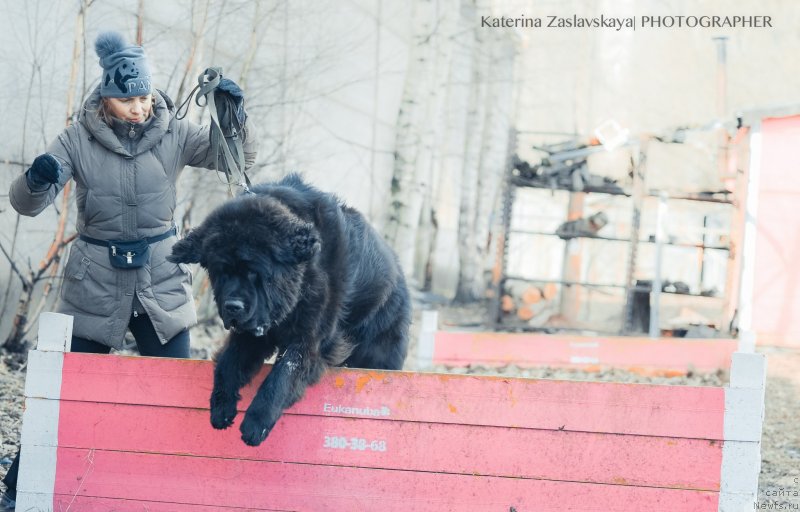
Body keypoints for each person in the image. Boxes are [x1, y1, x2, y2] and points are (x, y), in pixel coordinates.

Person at [0, 31, 257, 509]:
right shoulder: (75, 138)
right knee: (67, 390)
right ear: (107, 97)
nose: (139, 107)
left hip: (160, 281)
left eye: (143, 96)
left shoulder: (174, 131)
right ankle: (18, 488)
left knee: (180, 389)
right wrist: (37, 179)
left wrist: (233, 117)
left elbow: (234, 160)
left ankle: (186, 490)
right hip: (94, 284)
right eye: (127, 99)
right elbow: (24, 204)